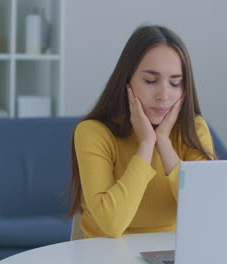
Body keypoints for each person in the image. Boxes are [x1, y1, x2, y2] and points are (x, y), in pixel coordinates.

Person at [67, 25, 216, 238]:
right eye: (150, 81)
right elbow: (111, 224)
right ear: (126, 81)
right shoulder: (93, 132)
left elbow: (206, 213)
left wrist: (163, 143)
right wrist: (146, 144)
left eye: (175, 83)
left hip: (170, 253)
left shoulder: (194, 129)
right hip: (102, 254)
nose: (163, 95)